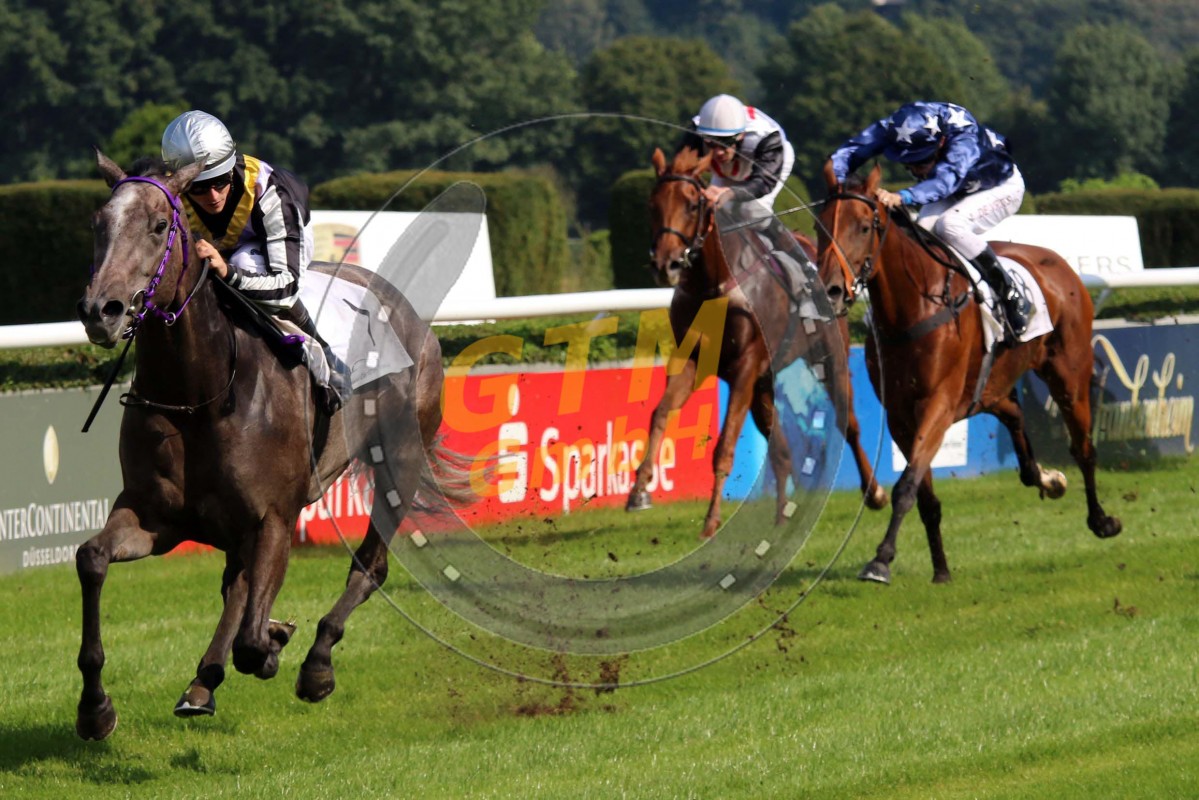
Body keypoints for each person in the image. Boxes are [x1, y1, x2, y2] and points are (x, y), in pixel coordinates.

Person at [161, 109, 343, 411]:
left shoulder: (270, 191)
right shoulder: (170, 196)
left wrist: (227, 271)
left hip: (275, 248)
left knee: (246, 260)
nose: (213, 196)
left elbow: (285, 287)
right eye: (199, 187)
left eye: (221, 181)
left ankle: (326, 360)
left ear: (231, 167)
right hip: (222, 247)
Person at [829, 100, 1031, 336]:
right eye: (908, 164)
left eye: (921, 161)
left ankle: (1008, 292)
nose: (915, 170)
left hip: (1000, 187)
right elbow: (849, 152)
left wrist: (903, 196)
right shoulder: (897, 128)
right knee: (920, 233)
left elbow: (945, 181)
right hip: (956, 190)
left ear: (941, 142)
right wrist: (837, 183)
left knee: (950, 226)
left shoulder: (963, 140)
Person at [680, 94, 795, 236]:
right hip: (731, 163)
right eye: (710, 143)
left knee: (751, 211)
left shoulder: (766, 139)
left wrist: (730, 193)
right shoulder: (695, 133)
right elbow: (680, 174)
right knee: (713, 209)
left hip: (767, 166)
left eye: (725, 143)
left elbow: (762, 183)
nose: (718, 152)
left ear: (741, 135)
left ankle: (788, 245)